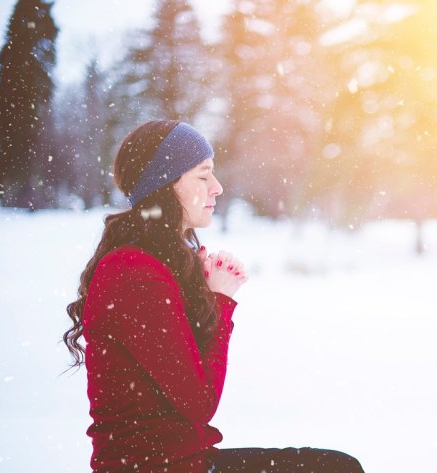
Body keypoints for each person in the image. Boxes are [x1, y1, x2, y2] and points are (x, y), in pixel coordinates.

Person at [63, 120, 365, 473]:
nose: (217, 188)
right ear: (165, 184)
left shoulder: (154, 265)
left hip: (187, 463)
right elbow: (199, 401)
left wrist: (204, 294)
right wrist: (221, 301)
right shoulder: (134, 272)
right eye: (203, 176)